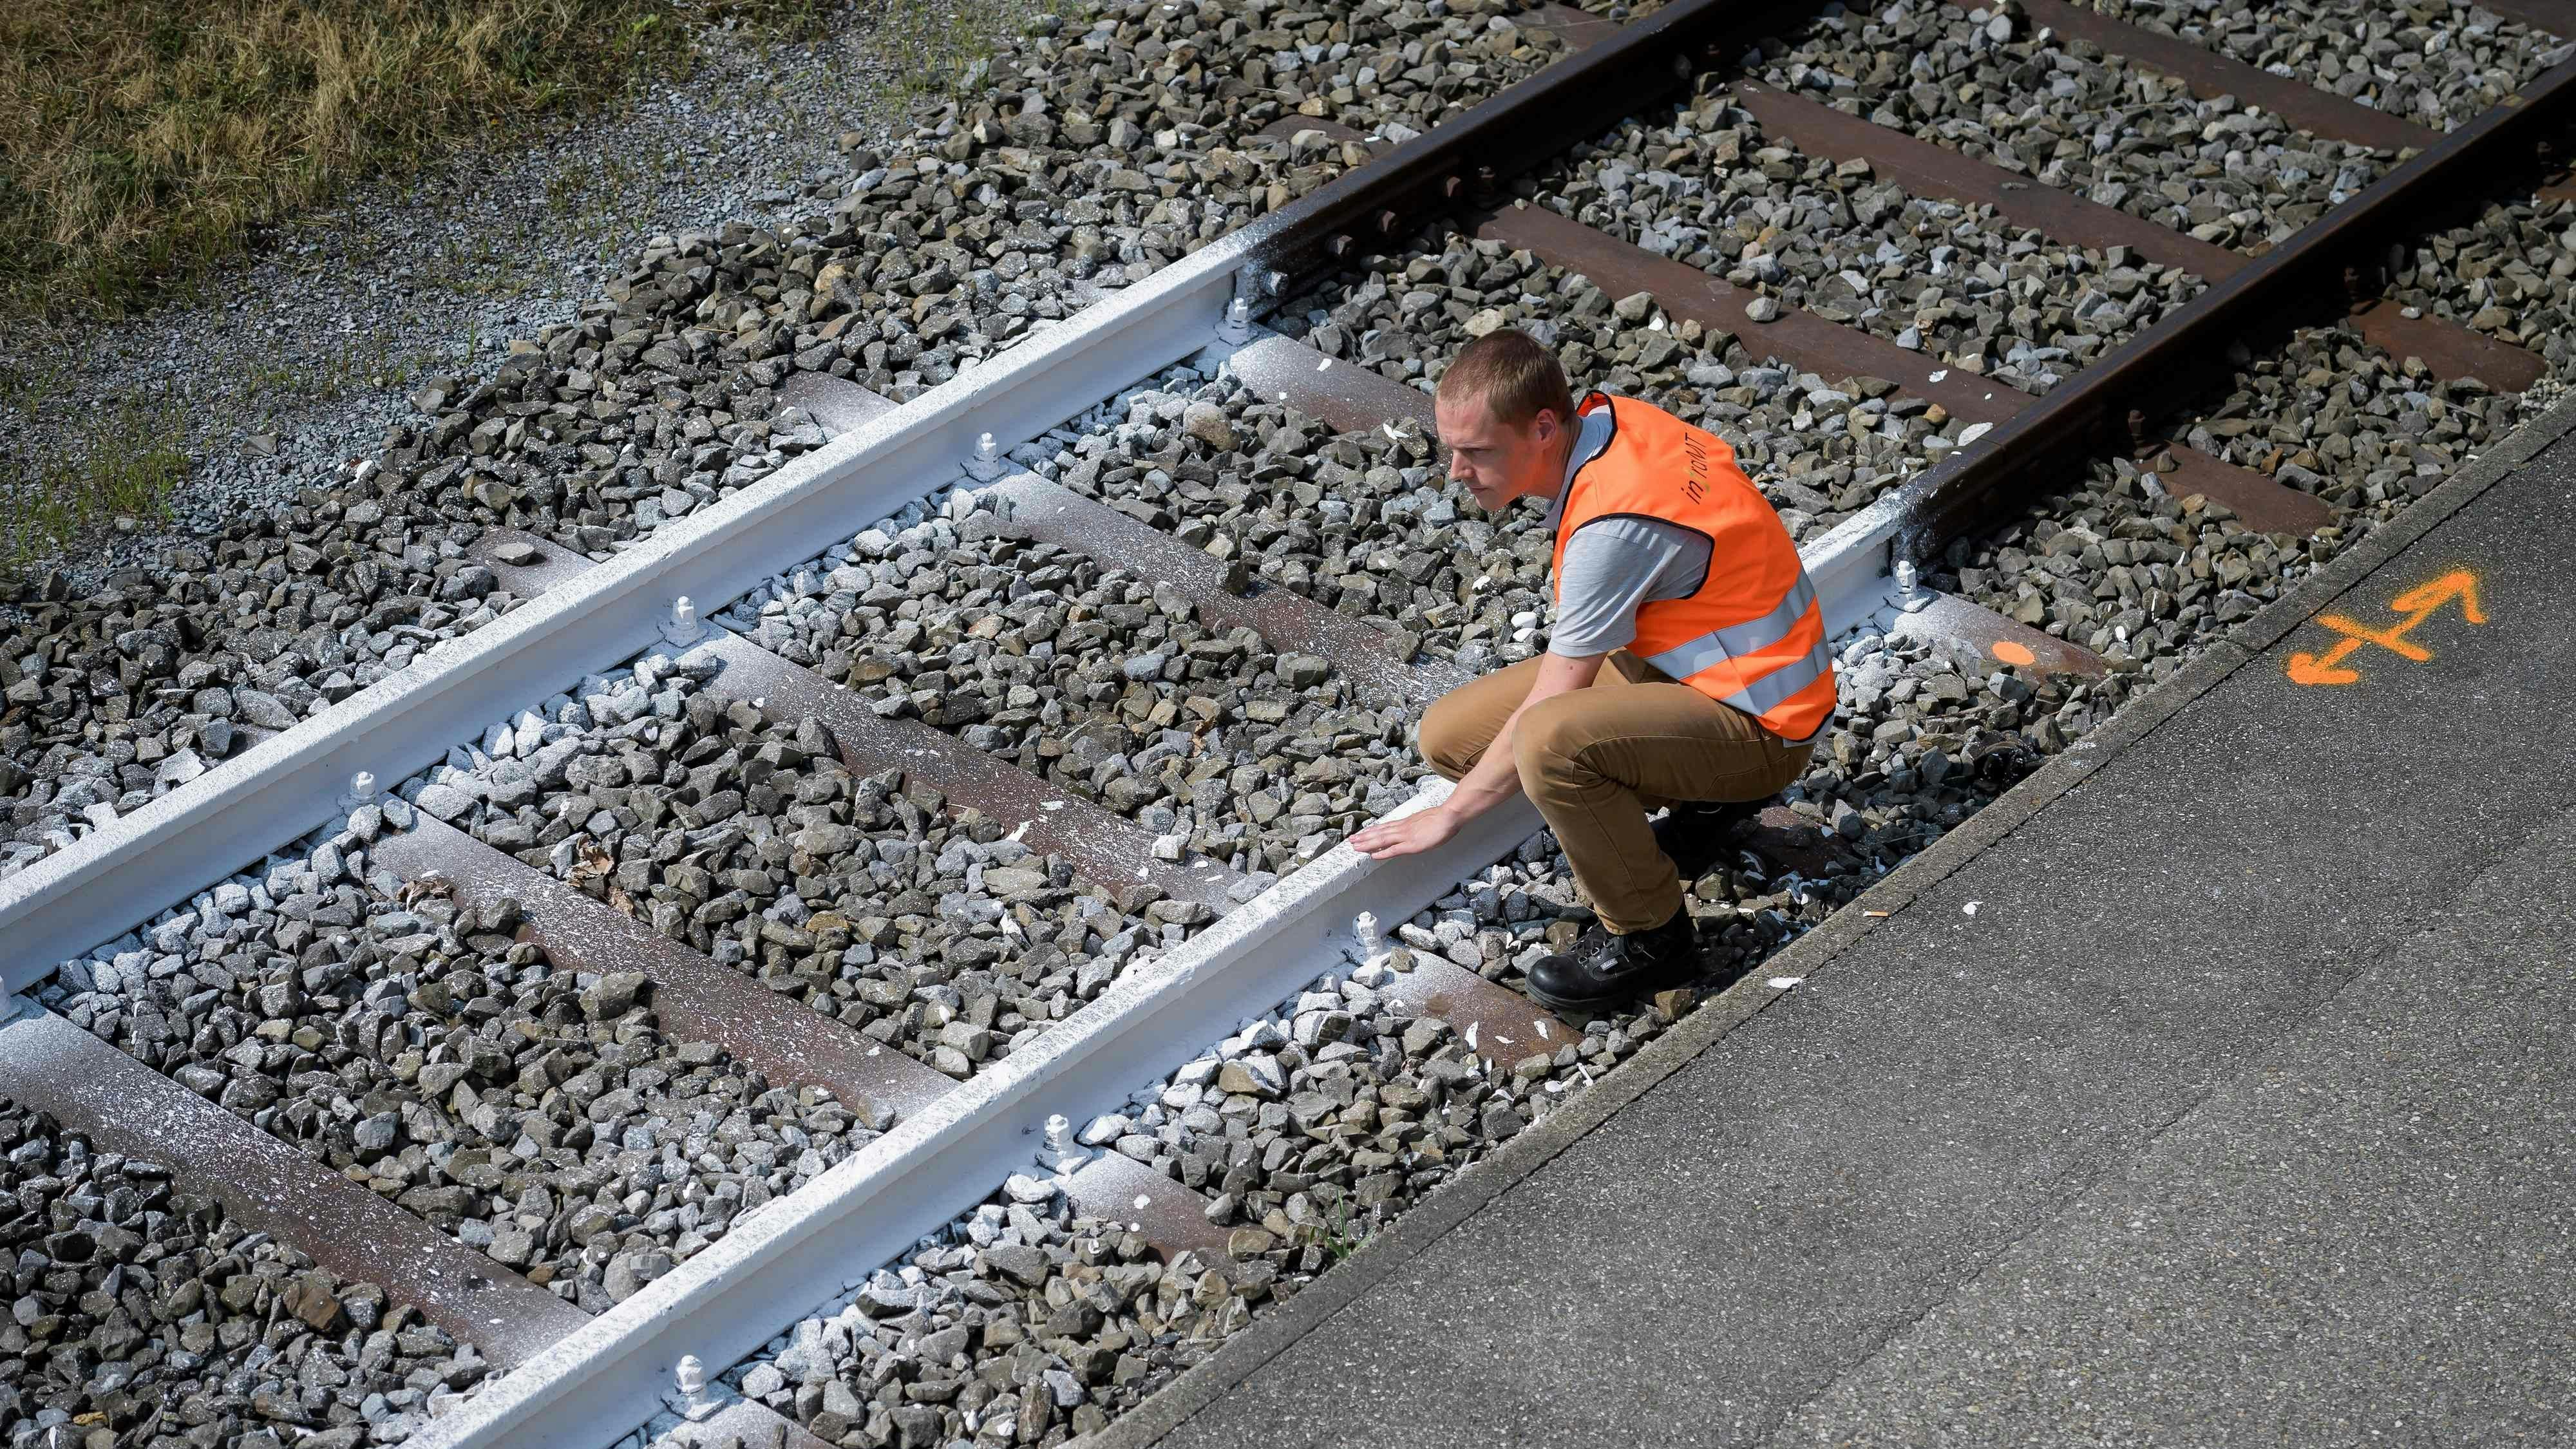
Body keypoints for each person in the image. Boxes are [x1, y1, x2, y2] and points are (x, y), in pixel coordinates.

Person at [1350, 328, 1835, 1011]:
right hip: (1696, 670)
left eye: (1477, 451)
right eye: (1449, 447)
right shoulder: (1610, 424)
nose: (1454, 471)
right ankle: (1706, 801)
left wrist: (1452, 815)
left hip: (1765, 719)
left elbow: (1556, 698)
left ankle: (1651, 939)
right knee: (1448, 736)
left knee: (1550, 743)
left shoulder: (1613, 523)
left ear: (1543, 427)